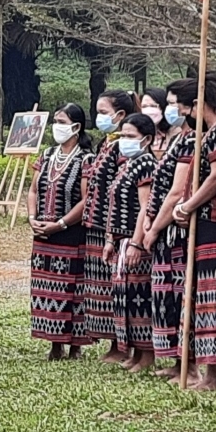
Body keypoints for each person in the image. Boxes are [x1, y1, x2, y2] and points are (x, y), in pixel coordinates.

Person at [171, 76, 216, 391]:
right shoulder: (210, 135)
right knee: (204, 296)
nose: (183, 114)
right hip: (206, 224)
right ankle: (212, 371)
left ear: (199, 105)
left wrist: (188, 206)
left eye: (185, 107)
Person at [28, 104, 92, 359]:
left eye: (62, 121)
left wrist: (62, 223)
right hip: (43, 232)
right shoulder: (46, 155)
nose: (57, 125)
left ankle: (75, 345)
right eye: (55, 120)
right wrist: (33, 218)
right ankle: (54, 344)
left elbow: (85, 200)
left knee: (72, 289)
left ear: (76, 127)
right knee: (46, 287)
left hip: (70, 233)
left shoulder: (85, 159)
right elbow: (33, 190)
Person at [142, 82, 196, 381]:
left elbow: (176, 193)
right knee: (167, 299)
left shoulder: (190, 142)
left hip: (176, 231)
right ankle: (177, 362)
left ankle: (189, 364)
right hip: (164, 229)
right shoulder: (178, 140)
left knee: (180, 298)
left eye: (174, 103)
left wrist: (154, 228)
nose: (170, 110)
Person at [81, 89, 137, 363]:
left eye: (103, 112)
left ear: (121, 115)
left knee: (114, 285)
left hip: (111, 226)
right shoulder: (107, 143)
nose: (98, 117)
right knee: (100, 287)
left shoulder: (122, 147)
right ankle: (112, 343)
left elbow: (119, 190)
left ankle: (121, 344)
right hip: (95, 224)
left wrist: (111, 234)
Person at [108, 112, 158, 373]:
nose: (123, 141)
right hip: (121, 238)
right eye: (122, 136)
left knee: (139, 297)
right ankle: (135, 352)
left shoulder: (146, 164)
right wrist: (110, 239)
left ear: (146, 139)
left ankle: (146, 354)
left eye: (130, 137)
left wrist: (137, 242)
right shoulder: (126, 163)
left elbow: (145, 207)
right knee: (126, 298)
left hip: (133, 238)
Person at [141, 89, 172, 157]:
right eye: (144, 106)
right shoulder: (139, 134)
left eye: (153, 106)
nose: (148, 110)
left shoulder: (173, 132)